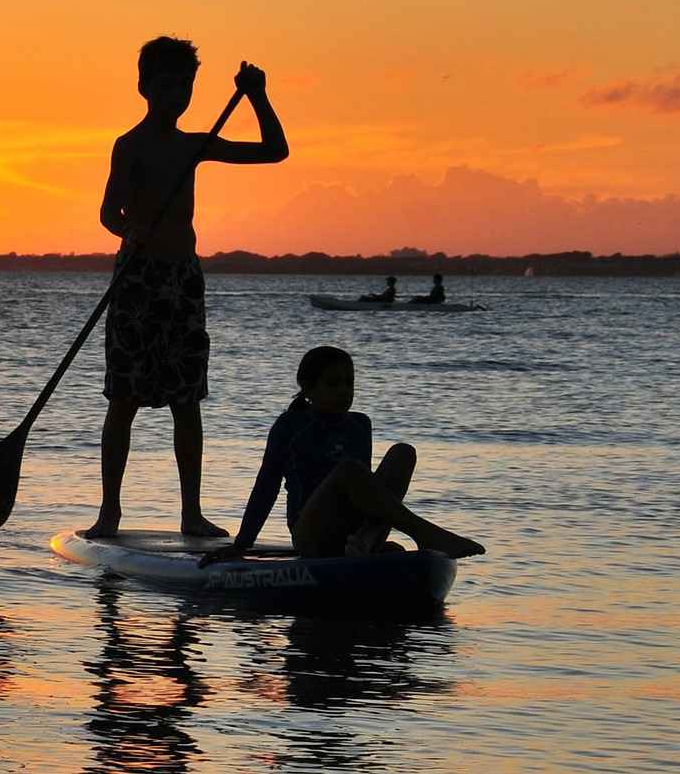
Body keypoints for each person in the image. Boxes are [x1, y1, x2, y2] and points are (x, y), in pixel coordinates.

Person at [87, 36, 289, 539]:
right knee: (124, 400)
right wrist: (128, 230)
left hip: (182, 282)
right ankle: (109, 513)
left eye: (185, 85)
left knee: (186, 400)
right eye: (167, 84)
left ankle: (191, 513)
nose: (177, 94)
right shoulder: (129, 146)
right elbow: (108, 213)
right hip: (137, 282)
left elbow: (274, 151)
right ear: (143, 87)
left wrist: (257, 95)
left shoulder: (193, 145)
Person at [198, 346, 485, 566]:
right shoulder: (291, 425)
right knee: (349, 470)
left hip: (354, 530)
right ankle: (425, 534)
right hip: (311, 534)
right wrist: (242, 544)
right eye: (333, 384)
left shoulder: (360, 425)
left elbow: (371, 496)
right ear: (309, 389)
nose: (344, 392)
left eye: (349, 383)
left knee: (403, 453)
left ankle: (364, 544)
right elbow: (266, 485)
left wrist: (370, 536)